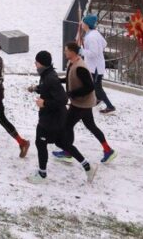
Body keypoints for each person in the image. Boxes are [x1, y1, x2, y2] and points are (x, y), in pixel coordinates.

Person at [27, 50, 95, 183]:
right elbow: (48, 89)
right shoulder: (48, 74)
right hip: (57, 118)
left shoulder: (50, 78)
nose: (35, 63)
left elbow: (63, 99)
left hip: (51, 119)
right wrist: (37, 88)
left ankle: (42, 175)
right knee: (62, 143)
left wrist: (44, 102)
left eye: (36, 62)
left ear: (41, 63)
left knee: (40, 142)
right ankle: (88, 167)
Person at [54, 42, 116, 164]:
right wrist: (59, 80)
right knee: (91, 126)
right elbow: (70, 78)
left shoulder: (80, 67)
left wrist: (71, 94)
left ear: (72, 52)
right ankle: (108, 150)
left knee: (67, 125)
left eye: (66, 50)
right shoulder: (72, 63)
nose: (64, 52)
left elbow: (90, 87)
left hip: (81, 104)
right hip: (83, 103)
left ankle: (68, 151)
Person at [80, 14, 114, 114]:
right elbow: (105, 43)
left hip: (95, 67)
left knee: (97, 87)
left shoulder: (91, 37)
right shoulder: (95, 33)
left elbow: (93, 53)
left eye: (83, 22)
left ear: (87, 24)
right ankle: (98, 99)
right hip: (96, 65)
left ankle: (110, 106)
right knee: (94, 85)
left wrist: (81, 51)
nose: (81, 23)